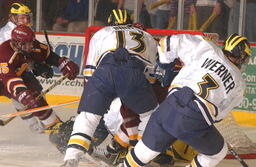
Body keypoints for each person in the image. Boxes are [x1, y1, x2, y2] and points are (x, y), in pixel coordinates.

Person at [123, 33, 251, 167]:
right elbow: (217, 117)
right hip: (194, 118)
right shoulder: (240, 85)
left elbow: (166, 42)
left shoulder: (208, 48)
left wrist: (165, 65)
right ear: (242, 58)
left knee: (142, 153)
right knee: (218, 153)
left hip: (169, 107)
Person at [62, 9, 159, 167]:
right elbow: (151, 75)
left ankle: (71, 158)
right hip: (134, 74)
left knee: (88, 117)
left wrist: (92, 96)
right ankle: (140, 157)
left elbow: (89, 71)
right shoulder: (146, 35)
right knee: (150, 115)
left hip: (104, 73)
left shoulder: (101, 32)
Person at [0, 25, 79, 152]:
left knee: (36, 98)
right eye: (26, 44)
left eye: (31, 42)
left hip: (18, 74)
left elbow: (48, 55)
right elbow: (8, 79)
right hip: (3, 80)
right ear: (16, 43)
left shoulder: (31, 45)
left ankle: (56, 131)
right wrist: (22, 94)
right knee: (25, 96)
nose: (30, 46)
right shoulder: (4, 53)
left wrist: (62, 62)